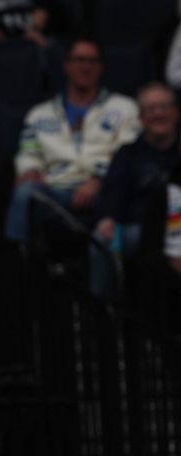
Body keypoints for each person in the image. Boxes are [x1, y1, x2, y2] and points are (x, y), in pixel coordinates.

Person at [5, 38, 139, 243]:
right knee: (25, 191)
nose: (85, 66)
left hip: (107, 190)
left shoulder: (124, 108)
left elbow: (129, 153)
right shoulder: (39, 114)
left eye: (92, 61)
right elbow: (28, 152)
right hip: (57, 189)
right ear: (66, 65)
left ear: (101, 67)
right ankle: (17, 262)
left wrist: (98, 179)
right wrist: (29, 170)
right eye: (79, 60)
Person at [88, 82, 181, 299]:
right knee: (101, 240)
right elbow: (111, 192)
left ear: (176, 112)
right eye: (150, 109)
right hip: (139, 230)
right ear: (140, 118)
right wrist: (107, 217)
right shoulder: (127, 154)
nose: (158, 114)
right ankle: (104, 313)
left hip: (178, 228)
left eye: (164, 106)